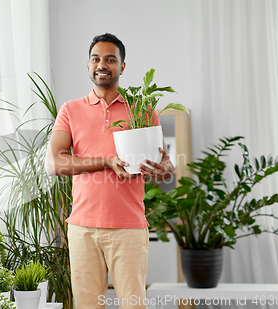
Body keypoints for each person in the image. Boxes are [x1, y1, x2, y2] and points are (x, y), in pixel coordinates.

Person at [45, 33, 174, 309]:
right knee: (88, 306)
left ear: (122, 66)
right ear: (88, 65)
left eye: (110, 59)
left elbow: (165, 167)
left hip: (128, 226)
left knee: (133, 305)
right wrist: (107, 161)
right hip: (82, 228)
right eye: (96, 59)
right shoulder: (70, 110)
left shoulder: (141, 109)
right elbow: (54, 163)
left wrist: (162, 170)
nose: (102, 64)